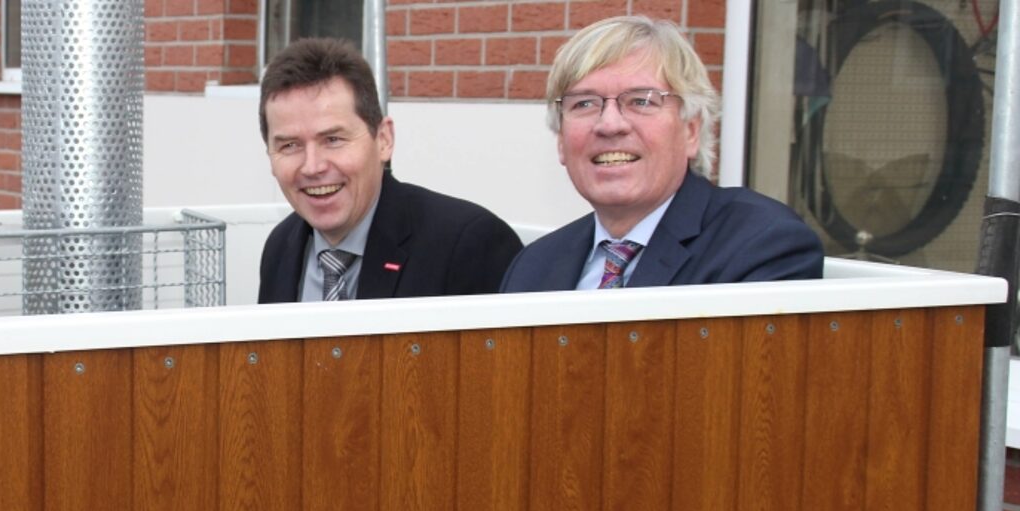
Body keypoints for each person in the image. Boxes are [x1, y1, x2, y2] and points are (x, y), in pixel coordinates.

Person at [500, 16, 823, 292]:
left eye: (641, 101)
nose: (610, 124)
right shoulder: (534, 267)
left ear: (691, 130)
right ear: (560, 141)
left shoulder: (761, 245)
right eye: (584, 103)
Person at [257, 38, 522, 303]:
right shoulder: (280, 249)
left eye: (333, 139)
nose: (313, 166)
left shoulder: (469, 246)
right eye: (290, 145)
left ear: (384, 140)